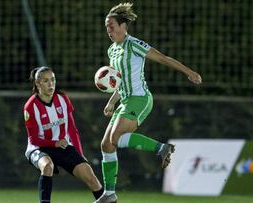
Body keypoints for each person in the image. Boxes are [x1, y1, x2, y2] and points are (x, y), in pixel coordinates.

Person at [95, 3, 202, 203]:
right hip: (125, 101)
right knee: (106, 145)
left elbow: (162, 58)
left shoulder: (133, 44)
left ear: (123, 26)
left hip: (140, 99)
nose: (108, 30)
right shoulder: (112, 51)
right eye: (106, 26)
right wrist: (111, 101)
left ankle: (162, 148)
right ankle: (109, 194)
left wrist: (189, 72)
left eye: (112, 26)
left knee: (116, 138)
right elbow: (118, 82)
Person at [23, 66, 104, 203]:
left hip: (63, 145)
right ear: (37, 83)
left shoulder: (63, 99)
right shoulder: (30, 106)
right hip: (39, 148)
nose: (51, 84)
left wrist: (79, 153)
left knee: (90, 176)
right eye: (46, 81)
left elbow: (72, 129)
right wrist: (54, 143)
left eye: (53, 80)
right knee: (48, 166)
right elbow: (34, 139)